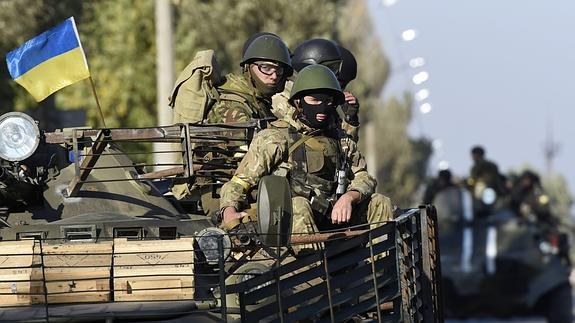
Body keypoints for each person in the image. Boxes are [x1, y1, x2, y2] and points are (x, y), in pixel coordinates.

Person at [219, 64, 394, 249]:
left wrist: (350, 197)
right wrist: (229, 212)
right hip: (293, 224)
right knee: (298, 206)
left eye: (328, 101)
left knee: (380, 203)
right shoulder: (276, 137)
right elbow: (239, 182)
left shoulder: (341, 139)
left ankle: (381, 272)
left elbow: (364, 177)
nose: (322, 107)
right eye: (314, 100)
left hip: (335, 216)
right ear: (298, 102)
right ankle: (313, 273)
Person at [206, 33, 292, 124]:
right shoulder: (233, 105)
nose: (274, 76)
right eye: (266, 67)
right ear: (248, 67)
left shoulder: (258, 100)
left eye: (279, 70)